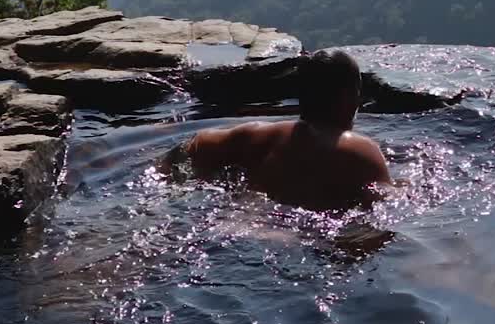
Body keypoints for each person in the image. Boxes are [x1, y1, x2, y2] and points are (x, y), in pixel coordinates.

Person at [162, 50, 391, 210]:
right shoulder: (362, 152)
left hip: (239, 219)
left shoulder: (253, 135)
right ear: (348, 98)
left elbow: (190, 147)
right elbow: (386, 207)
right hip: (297, 239)